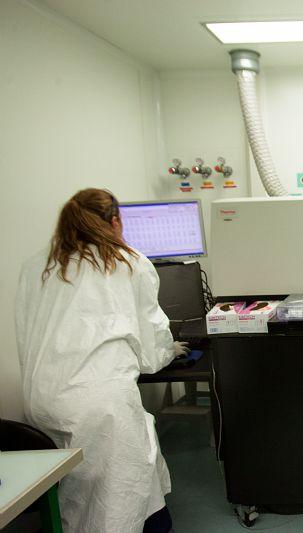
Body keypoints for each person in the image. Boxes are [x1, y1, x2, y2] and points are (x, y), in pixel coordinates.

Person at [15, 188, 189, 533]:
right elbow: (151, 351)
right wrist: (171, 350)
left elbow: (27, 334)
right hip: (98, 403)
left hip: (41, 397)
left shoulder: (37, 265)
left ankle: (156, 522)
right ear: (115, 222)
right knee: (116, 497)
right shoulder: (128, 262)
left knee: (77, 484)